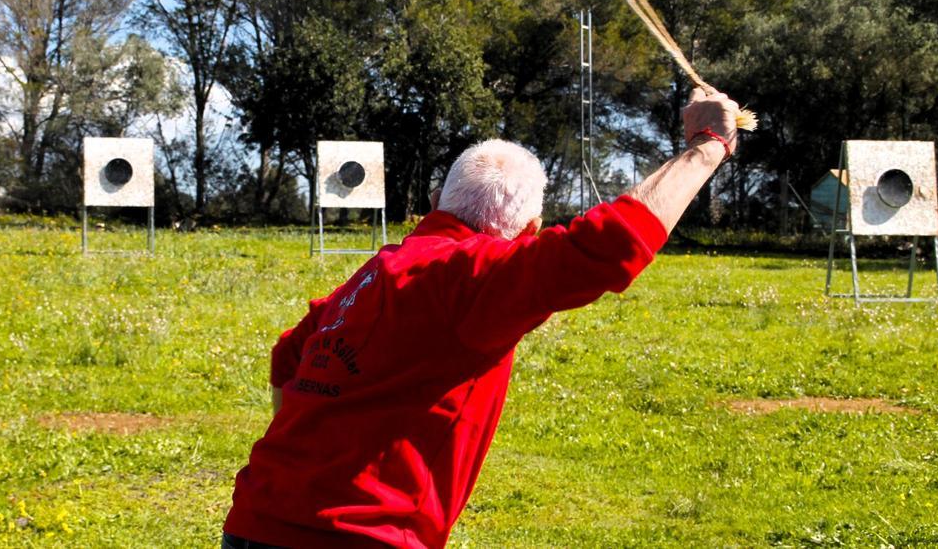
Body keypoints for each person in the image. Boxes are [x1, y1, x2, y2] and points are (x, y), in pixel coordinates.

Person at [222, 88, 741, 549]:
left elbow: (289, 355)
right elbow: (613, 244)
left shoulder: (377, 270)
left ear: (433, 203)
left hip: (253, 523)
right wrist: (707, 147)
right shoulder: (474, 275)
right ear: (531, 231)